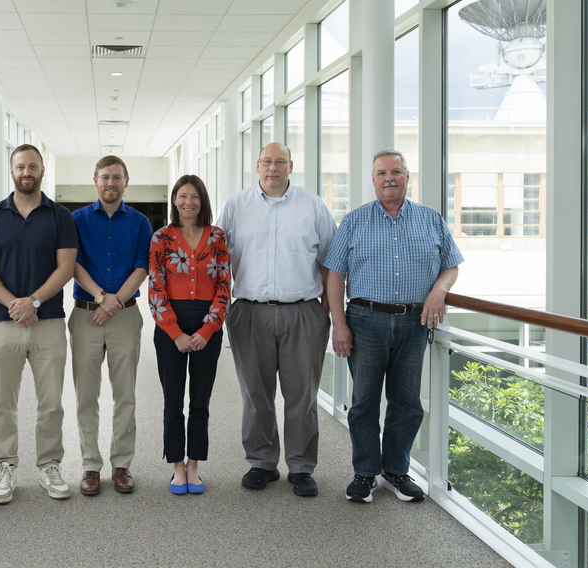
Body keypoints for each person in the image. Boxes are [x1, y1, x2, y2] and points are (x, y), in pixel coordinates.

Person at [321, 149, 463, 503]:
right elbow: (334, 276)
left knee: (407, 402)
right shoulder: (353, 221)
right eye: (382, 172)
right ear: (372, 179)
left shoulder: (431, 219)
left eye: (396, 171)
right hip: (365, 321)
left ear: (407, 176)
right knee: (364, 402)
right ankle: (365, 473)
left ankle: (396, 471)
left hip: (416, 322)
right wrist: (338, 324)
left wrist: (438, 293)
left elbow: (451, 266)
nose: (389, 178)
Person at [216, 142, 336, 497]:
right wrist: (221, 310)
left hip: (303, 312)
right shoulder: (236, 206)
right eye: (267, 162)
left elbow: (331, 261)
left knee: (302, 394)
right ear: (257, 166)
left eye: (279, 162)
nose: (273, 168)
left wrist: (328, 313)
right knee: (256, 393)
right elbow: (218, 257)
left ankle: (300, 466)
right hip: (249, 312)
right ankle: (262, 462)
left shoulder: (312, 205)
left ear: (290, 166)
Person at [0, 143, 78, 503]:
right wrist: (14, 305)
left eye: (33, 166)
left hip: (48, 321)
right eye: (21, 167)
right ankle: (5, 466)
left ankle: (49, 466)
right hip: (4, 324)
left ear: (42, 170)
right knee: (4, 402)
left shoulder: (61, 216)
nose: (27, 172)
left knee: (51, 402)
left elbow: (66, 267)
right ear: (12, 170)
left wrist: (33, 302)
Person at [70, 155, 152, 495]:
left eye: (117, 177)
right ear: (95, 181)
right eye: (104, 177)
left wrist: (115, 301)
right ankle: (90, 466)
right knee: (86, 396)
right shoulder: (75, 220)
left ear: (126, 182)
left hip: (126, 315)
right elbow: (71, 263)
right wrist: (102, 297)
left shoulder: (140, 222)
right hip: (86, 314)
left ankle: (121, 465)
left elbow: (142, 266)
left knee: (125, 395)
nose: (110, 183)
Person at [149, 174, 230, 495]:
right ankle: (176, 466)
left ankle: (194, 465)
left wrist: (208, 329)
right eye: (182, 196)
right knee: (173, 402)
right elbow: (155, 287)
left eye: (194, 197)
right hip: (171, 326)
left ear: (203, 201)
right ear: (173, 200)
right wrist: (175, 332)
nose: (188, 202)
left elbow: (224, 286)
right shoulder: (162, 238)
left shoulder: (217, 237)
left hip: (208, 327)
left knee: (200, 401)